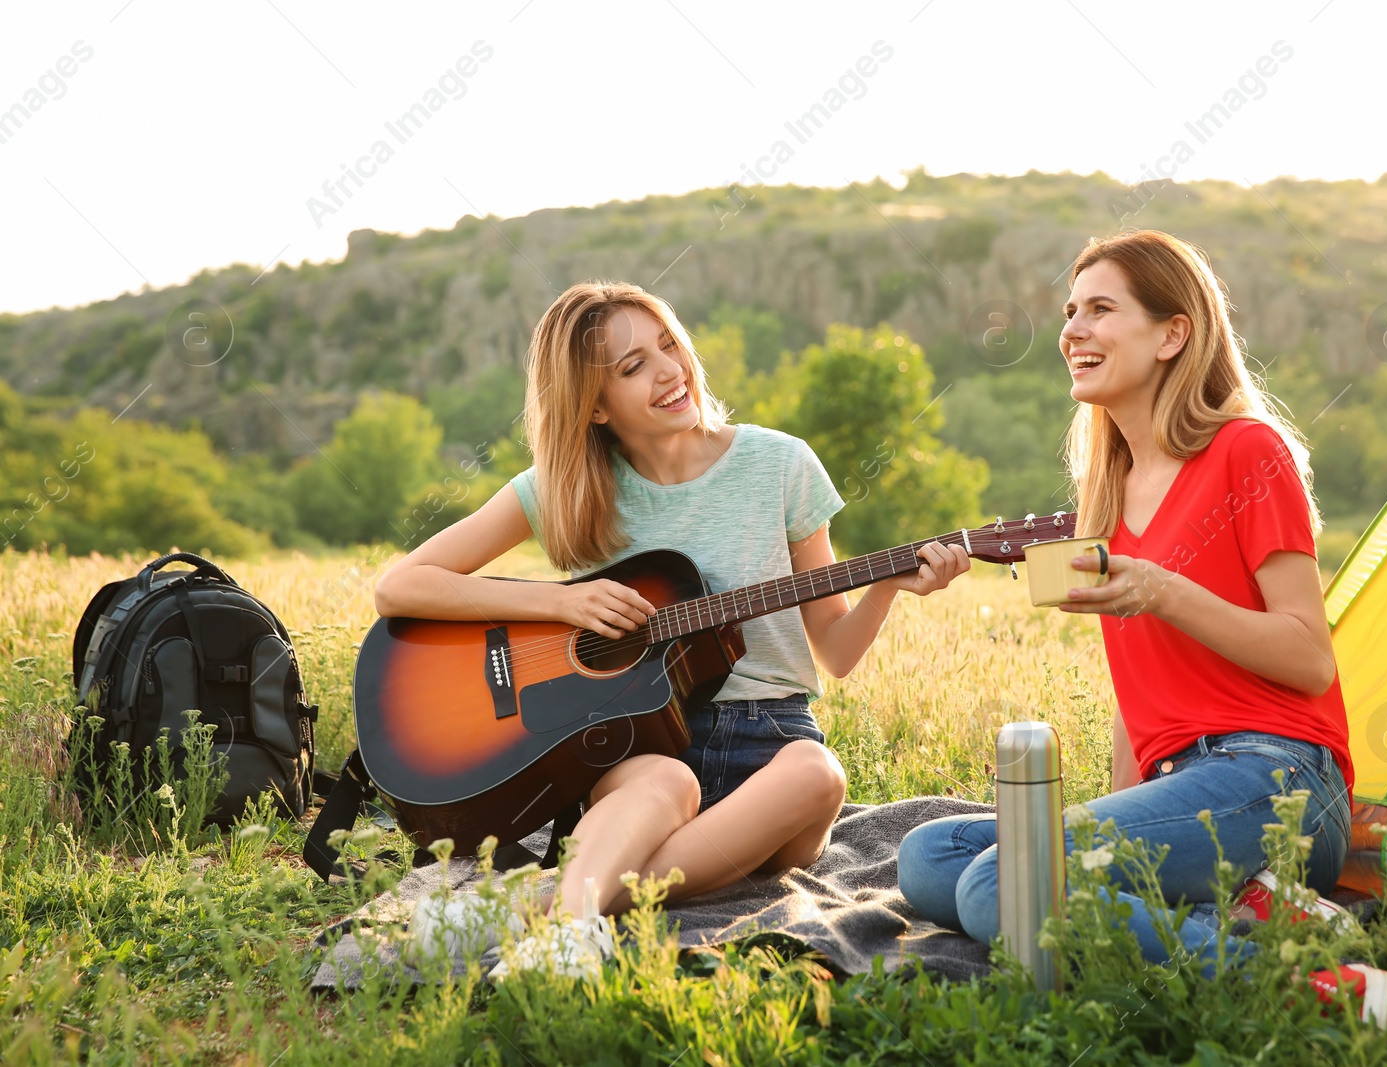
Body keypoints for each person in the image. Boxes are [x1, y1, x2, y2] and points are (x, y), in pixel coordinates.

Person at [375, 280, 969, 976]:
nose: (668, 371)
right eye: (632, 367)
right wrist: (562, 604)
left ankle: (539, 907)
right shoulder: (565, 487)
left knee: (819, 772)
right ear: (593, 406)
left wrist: (889, 586)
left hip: (773, 742)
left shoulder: (780, 463)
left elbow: (835, 653)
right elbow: (400, 585)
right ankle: (572, 925)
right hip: (639, 740)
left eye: (668, 344)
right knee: (665, 783)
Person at [897, 230, 1387, 1025]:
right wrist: (1111, 825)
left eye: (1100, 309)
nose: (1072, 330)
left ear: (1173, 333)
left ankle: (1309, 986)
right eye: (1069, 311)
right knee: (924, 858)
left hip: (1279, 781)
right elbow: (1142, 694)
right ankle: (1256, 913)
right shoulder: (1110, 494)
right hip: (1183, 787)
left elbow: (1309, 659)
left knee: (999, 886)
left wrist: (1165, 590)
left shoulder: (1246, 451)